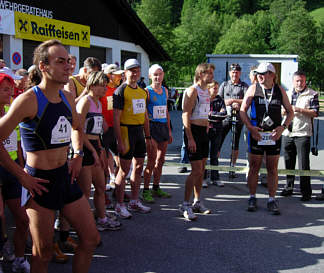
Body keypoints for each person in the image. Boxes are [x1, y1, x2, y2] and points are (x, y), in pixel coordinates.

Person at [0, 40, 100, 273]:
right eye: (60, 61)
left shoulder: (66, 96)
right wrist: (21, 176)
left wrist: (77, 154)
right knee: (42, 254)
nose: (68, 66)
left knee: (90, 238)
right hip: (39, 183)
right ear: (44, 67)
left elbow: (77, 126)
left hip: (64, 177)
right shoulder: (27, 100)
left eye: (68, 61)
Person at [240, 62, 294, 215]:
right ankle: (252, 197)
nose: (259, 76)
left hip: (273, 135)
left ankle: (272, 199)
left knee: (272, 169)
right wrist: (250, 127)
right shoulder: (253, 88)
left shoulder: (279, 90)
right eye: (258, 73)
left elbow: (290, 112)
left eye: (263, 73)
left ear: (272, 75)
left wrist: (282, 127)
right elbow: (243, 111)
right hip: (256, 133)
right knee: (254, 167)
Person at [76, 71, 121, 230]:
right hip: (84, 148)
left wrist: (101, 148)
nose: (104, 89)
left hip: (96, 145)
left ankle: (101, 218)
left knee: (101, 187)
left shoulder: (98, 102)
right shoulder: (84, 102)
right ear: (92, 85)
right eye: (101, 86)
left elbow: (99, 129)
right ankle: (82, 223)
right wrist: (92, 150)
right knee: (85, 190)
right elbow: (78, 130)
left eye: (105, 85)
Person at [113, 58, 152, 218]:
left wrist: (148, 136)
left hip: (138, 133)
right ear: (125, 72)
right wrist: (119, 141)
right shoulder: (120, 91)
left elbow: (145, 116)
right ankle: (119, 204)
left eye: (136, 70)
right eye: (131, 70)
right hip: (125, 131)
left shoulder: (143, 92)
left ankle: (134, 201)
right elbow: (116, 118)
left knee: (138, 167)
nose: (134, 73)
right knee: (123, 169)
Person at [0, 73, 30, 272]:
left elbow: (18, 144)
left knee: (23, 218)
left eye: (10, 88)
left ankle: (19, 258)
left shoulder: (11, 111)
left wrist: (21, 167)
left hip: (11, 169)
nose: (10, 92)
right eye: (4, 89)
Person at [179, 63, 215, 221]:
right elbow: (185, 114)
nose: (212, 76)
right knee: (195, 171)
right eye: (209, 73)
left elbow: (205, 112)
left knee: (201, 171)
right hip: (192, 131)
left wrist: (207, 126)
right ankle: (185, 204)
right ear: (201, 74)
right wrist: (190, 138)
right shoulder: (193, 90)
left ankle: (197, 201)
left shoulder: (206, 90)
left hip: (203, 132)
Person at [280, 71, 319, 201]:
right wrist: (284, 111)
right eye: (297, 81)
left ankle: (306, 191)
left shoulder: (312, 94)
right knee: (288, 161)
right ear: (293, 81)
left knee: (303, 164)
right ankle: (288, 187)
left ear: (305, 81)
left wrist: (299, 109)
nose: (300, 83)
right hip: (287, 132)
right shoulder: (286, 92)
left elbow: (315, 112)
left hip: (303, 132)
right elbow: (280, 110)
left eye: (302, 81)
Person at [142, 64, 172, 203]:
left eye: (159, 74)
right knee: (152, 160)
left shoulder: (165, 91)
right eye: (155, 74)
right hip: (152, 127)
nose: (157, 77)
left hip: (163, 127)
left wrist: (169, 130)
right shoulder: (146, 91)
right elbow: (143, 113)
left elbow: (166, 111)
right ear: (149, 76)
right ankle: (146, 190)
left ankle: (156, 187)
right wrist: (146, 132)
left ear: (163, 75)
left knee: (161, 161)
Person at [218, 64, 248, 178]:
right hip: (225, 118)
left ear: (240, 73)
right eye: (232, 72)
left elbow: (246, 100)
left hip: (238, 119)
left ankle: (232, 167)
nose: (234, 74)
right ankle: (214, 166)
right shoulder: (224, 84)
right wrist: (228, 102)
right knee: (218, 142)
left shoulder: (243, 85)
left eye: (236, 72)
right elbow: (218, 99)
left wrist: (235, 101)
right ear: (230, 73)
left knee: (235, 144)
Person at [101, 64, 124, 189]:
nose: (121, 77)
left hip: (117, 127)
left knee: (121, 159)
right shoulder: (102, 89)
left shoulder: (119, 89)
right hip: (104, 129)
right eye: (118, 75)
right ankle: (105, 188)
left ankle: (116, 184)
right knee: (104, 159)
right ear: (110, 76)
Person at [205, 80, 226, 187]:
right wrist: (213, 115)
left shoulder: (220, 99)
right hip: (206, 130)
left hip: (217, 130)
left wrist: (211, 114)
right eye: (214, 88)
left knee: (215, 154)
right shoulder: (204, 99)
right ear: (209, 88)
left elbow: (224, 114)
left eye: (217, 88)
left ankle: (215, 177)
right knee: (204, 154)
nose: (217, 90)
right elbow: (203, 114)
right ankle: (204, 178)